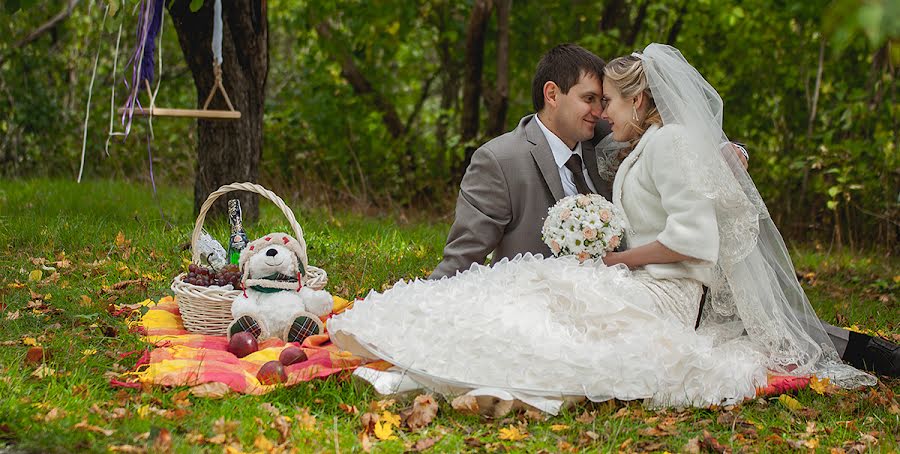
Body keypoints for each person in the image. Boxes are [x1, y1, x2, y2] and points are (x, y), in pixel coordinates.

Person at [328, 44, 878, 412]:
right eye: (591, 100)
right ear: (553, 94)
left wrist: (724, 158)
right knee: (515, 307)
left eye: (605, 101)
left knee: (794, 331)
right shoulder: (500, 160)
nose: (599, 114)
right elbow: (465, 254)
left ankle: (866, 351)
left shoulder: (607, 150)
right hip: (590, 290)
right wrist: (433, 301)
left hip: (650, 288)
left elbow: (676, 171)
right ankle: (425, 351)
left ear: (634, 100)